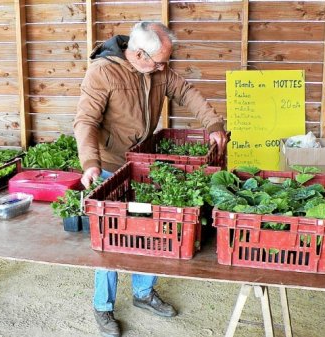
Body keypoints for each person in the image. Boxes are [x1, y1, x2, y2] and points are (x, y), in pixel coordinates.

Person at [73, 22, 228, 337]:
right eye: (159, 62)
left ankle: (143, 293)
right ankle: (103, 307)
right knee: (110, 242)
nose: (164, 68)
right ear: (139, 53)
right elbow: (85, 121)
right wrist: (90, 163)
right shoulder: (102, 73)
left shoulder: (157, 69)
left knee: (151, 230)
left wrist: (212, 123)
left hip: (144, 162)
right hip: (110, 166)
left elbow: (185, 91)